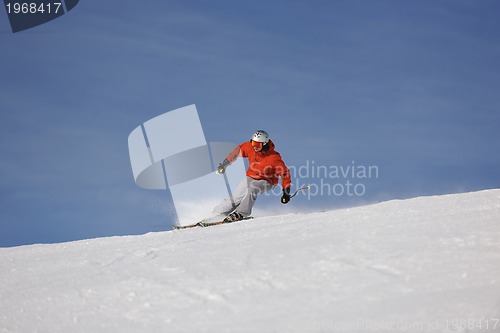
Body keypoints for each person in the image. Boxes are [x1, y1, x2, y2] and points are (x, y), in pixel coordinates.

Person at [214, 130, 291, 222]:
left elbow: (285, 174)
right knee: (237, 196)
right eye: (253, 143)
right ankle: (218, 213)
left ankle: (241, 213)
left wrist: (286, 193)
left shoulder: (274, 158)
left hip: (267, 181)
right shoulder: (249, 147)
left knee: (252, 188)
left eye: (258, 145)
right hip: (251, 176)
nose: (255, 146)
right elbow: (236, 152)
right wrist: (224, 164)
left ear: (265, 144)